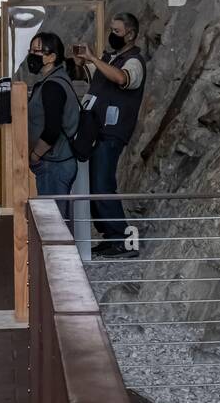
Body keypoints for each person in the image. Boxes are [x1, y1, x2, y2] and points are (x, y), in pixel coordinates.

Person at [74, 13, 147, 258]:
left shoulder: (134, 62)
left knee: (103, 183)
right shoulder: (110, 58)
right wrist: (85, 61)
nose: (112, 35)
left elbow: (121, 79)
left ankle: (122, 237)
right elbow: (94, 75)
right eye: (111, 30)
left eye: (116, 31)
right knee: (96, 184)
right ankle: (110, 235)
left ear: (130, 34)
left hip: (112, 131)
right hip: (96, 128)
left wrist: (94, 57)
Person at [26, 32, 81, 229]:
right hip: (53, 162)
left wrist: (35, 155)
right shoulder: (52, 81)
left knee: (55, 225)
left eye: (37, 51)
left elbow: (52, 129)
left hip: (54, 163)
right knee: (54, 222)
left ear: (51, 56)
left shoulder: (52, 86)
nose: (31, 56)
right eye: (30, 51)